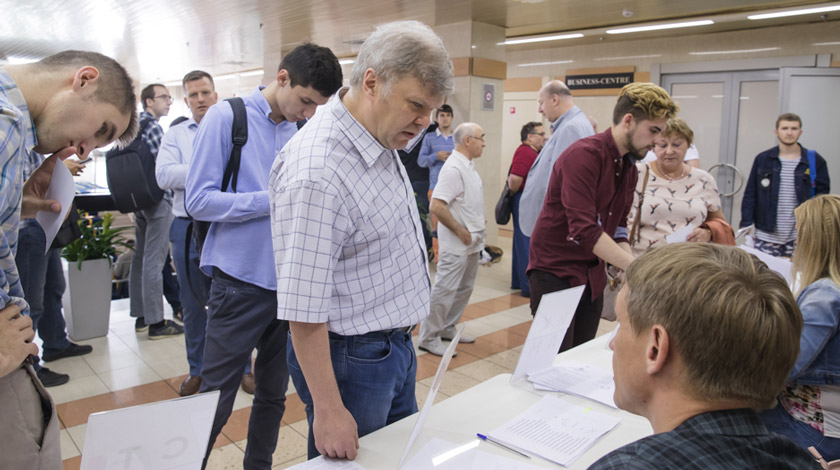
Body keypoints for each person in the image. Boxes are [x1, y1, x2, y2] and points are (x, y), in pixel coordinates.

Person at [269, 20, 453, 460]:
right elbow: (303, 308)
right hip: (351, 362)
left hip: (392, 348)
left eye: (433, 109)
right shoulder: (318, 170)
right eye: (415, 105)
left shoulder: (380, 136)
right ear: (372, 82)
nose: (425, 123)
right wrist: (330, 409)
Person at [186, 44, 342, 469]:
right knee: (215, 394)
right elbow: (198, 201)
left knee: (273, 394)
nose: (308, 112)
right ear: (283, 77)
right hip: (239, 281)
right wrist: (270, 200)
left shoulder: (301, 129)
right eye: (306, 100)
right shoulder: (227, 117)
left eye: (318, 107)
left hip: (291, 284)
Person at [0, 49, 136, 470]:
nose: (84, 149)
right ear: (84, 80)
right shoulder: (6, 122)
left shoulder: (18, 133)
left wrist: (16, 204)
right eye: (99, 130)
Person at [589, 243, 819, 469]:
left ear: (656, 348)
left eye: (621, 324)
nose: (612, 344)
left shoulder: (627, 465)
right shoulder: (799, 459)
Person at [528, 83, 677, 352]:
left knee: (578, 353)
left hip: (591, 272)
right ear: (629, 121)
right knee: (551, 357)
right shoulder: (584, 156)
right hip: (556, 269)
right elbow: (583, 229)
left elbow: (618, 226)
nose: (657, 141)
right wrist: (635, 267)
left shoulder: (629, 167)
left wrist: (627, 264)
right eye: (653, 131)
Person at [156, 70, 254, 397]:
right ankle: (197, 369)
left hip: (226, 224)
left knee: (232, 299)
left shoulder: (234, 127)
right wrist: (208, 165)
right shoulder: (177, 134)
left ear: (215, 95)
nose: (200, 99)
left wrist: (202, 171)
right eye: (193, 95)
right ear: (186, 100)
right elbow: (164, 175)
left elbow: (242, 173)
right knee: (193, 301)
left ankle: (243, 367)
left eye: (205, 93)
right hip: (186, 227)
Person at [760, 194, 840, 460]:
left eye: (799, 234)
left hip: (815, 433)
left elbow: (783, 366)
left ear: (814, 241)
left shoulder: (824, 296)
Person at [15, 152, 92, 388]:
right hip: (28, 226)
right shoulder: (15, 134)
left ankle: (56, 343)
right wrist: (60, 172)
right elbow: (23, 188)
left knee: (53, 287)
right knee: (31, 300)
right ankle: (28, 366)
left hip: (45, 224)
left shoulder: (34, 141)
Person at [418, 123, 486, 356]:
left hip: (472, 243)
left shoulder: (469, 166)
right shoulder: (453, 168)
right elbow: (437, 205)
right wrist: (459, 230)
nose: (484, 142)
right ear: (467, 140)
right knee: (445, 289)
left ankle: (447, 327)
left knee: (464, 288)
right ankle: (428, 336)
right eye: (481, 138)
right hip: (457, 242)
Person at [626, 118, 728, 256]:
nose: (669, 151)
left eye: (676, 144)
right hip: (643, 264)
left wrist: (707, 232)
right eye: (662, 145)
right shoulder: (636, 174)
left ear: (688, 146)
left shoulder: (704, 179)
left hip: (689, 265)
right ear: (653, 147)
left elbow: (719, 221)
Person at [131, 83, 183, 338]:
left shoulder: (131, 127)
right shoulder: (152, 127)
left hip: (137, 201)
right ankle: (156, 323)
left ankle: (141, 316)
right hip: (158, 201)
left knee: (140, 257)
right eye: (164, 97)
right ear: (148, 102)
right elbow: (164, 170)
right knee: (155, 260)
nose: (169, 102)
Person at [740, 113, 830, 257]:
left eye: (794, 128)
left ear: (800, 132)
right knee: (764, 275)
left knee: (798, 276)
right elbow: (751, 193)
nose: (789, 132)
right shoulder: (764, 159)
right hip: (766, 233)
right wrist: (746, 224)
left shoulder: (814, 161)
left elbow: (822, 198)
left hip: (800, 235)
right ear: (776, 132)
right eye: (785, 128)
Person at [518, 80, 594, 237]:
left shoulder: (571, 128)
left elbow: (561, 182)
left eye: (541, 103)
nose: (539, 109)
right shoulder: (570, 125)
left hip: (553, 226)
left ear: (554, 99)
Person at [508, 121, 544, 297]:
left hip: (525, 199)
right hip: (522, 199)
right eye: (541, 134)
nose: (544, 137)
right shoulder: (524, 151)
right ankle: (528, 286)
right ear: (530, 137)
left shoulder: (532, 152)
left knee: (521, 242)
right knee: (525, 242)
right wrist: (515, 193)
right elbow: (515, 179)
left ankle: (518, 280)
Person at [397, 119, 438, 261]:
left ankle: (426, 247)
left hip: (421, 179)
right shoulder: (396, 128)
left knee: (419, 217)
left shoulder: (430, 130)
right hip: (401, 177)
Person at [418, 104, 454, 262]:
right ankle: (440, 259)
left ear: (452, 118)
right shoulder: (429, 138)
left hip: (455, 189)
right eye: (442, 115)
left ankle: (453, 257)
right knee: (437, 226)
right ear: (436, 118)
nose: (445, 118)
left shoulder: (457, 137)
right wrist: (435, 157)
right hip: (436, 188)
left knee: (454, 224)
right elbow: (421, 161)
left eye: (448, 115)